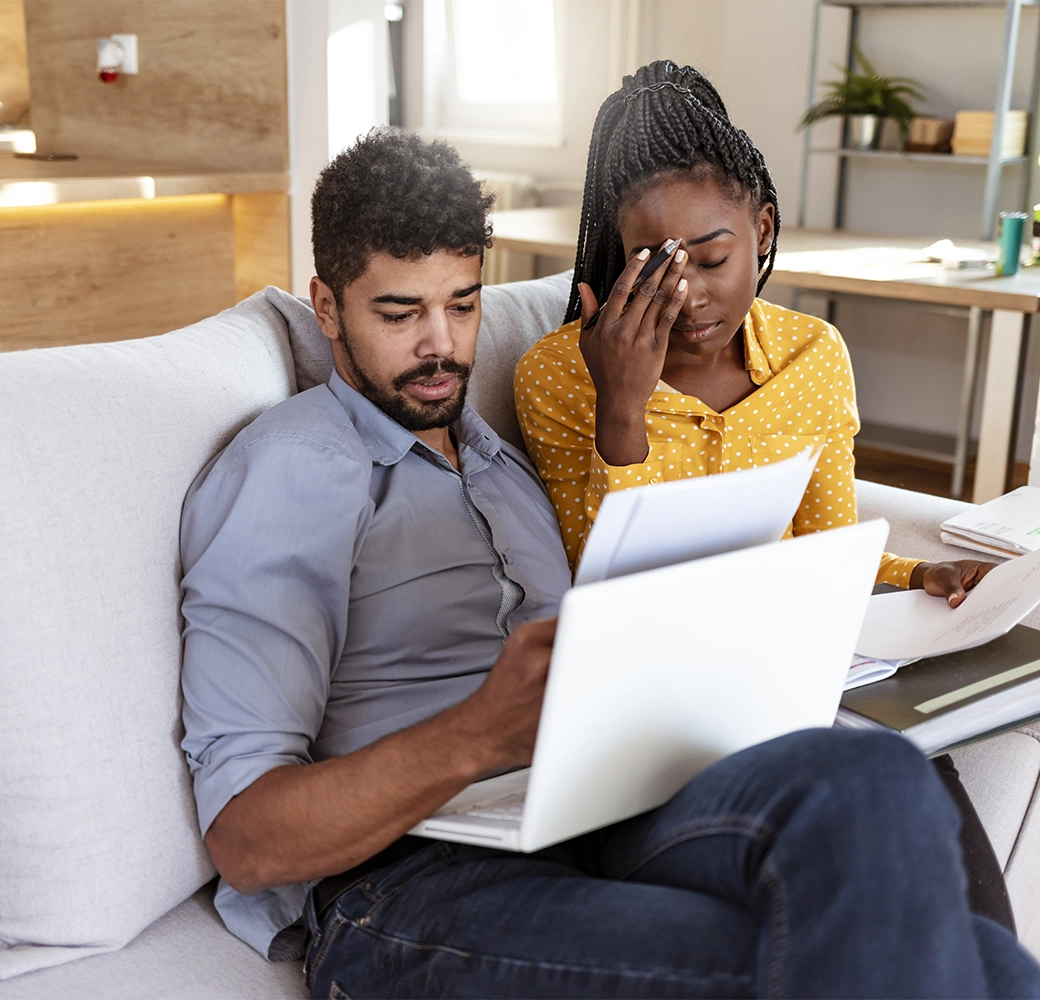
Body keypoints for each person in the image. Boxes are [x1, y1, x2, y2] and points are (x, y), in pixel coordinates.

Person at [179, 126, 1040, 999]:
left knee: (876, 774)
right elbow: (247, 842)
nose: (441, 348)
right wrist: (478, 733)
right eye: (399, 314)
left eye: (465, 305)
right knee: (944, 969)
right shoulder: (288, 472)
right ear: (327, 308)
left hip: (599, 811)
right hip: (412, 882)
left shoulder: (500, 460)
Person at [513, 60, 1016, 931]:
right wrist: (621, 406)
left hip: (789, 674)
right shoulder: (560, 375)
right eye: (652, 268)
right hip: (653, 703)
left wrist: (912, 575)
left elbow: (821, 547)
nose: (689, 296)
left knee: (924, 807)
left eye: (712, 258)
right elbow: (596, 584)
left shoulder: (812, 357)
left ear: (763, 227)